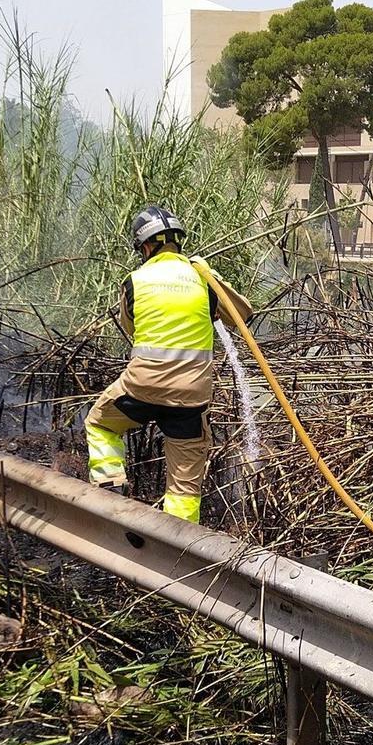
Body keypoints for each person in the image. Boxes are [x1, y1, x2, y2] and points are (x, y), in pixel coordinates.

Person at [84, 204, 253, 523]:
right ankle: (177, 547)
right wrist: (211, 278)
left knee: (100, 423)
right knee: (184, 488)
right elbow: (243, 317)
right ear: (178, 242)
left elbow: (133, 331)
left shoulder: (134, 281)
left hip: (140, 390)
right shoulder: (202, 279)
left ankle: (109, 489)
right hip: (190, 399)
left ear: (146, 247)